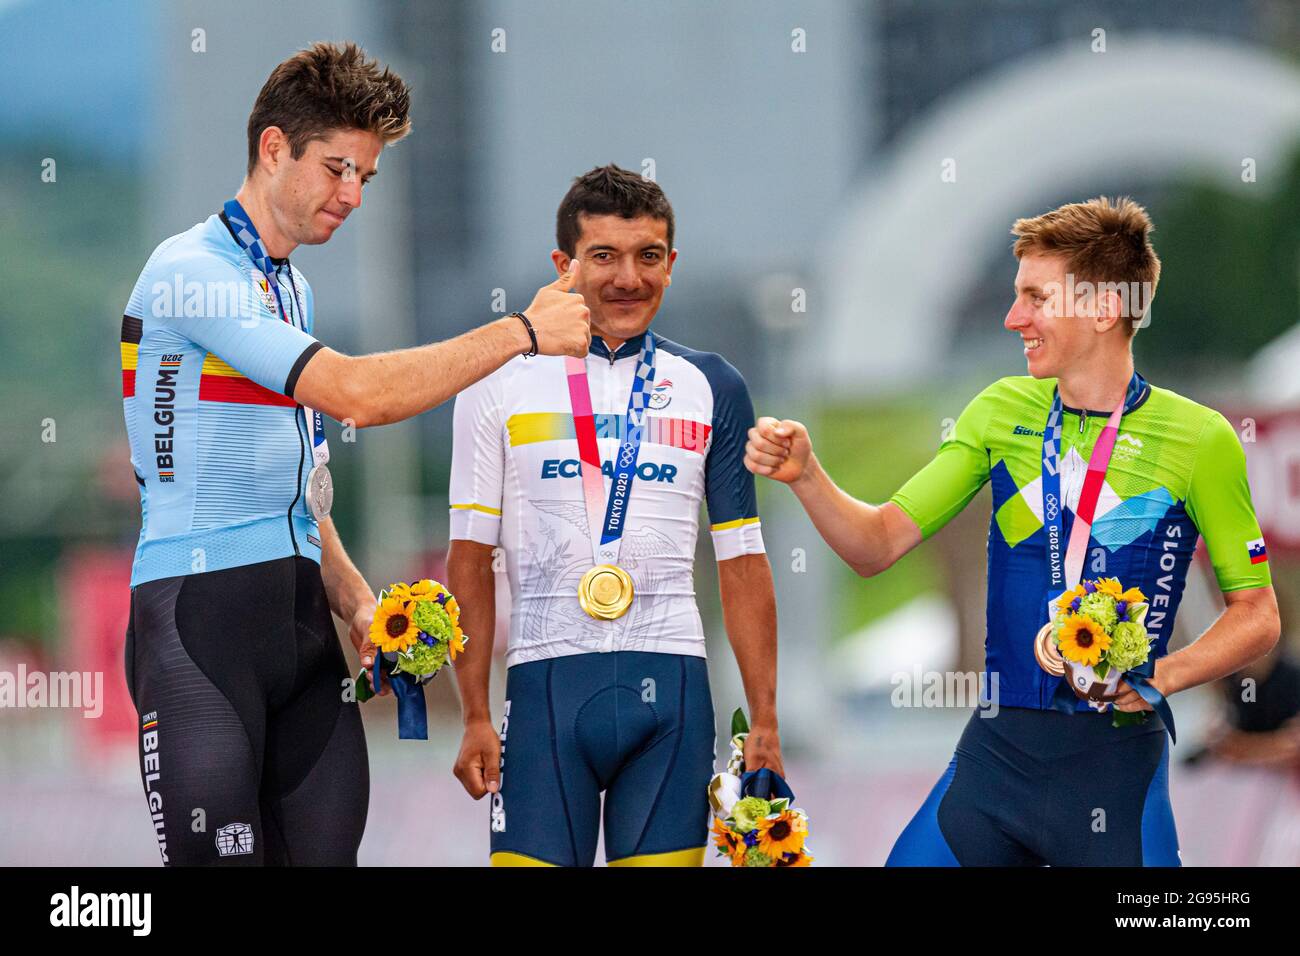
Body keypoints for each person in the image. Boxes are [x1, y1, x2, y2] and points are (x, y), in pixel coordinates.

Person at [119, 42, 590, 866]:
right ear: (273, 149)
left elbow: (299, 488)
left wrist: (360, 602)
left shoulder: (287, 284)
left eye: (365, 178)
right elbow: (359, 396)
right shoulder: (188, 273)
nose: (352, 195)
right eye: (337, 168)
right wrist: (522, 333)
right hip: (199, 627)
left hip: (301, 631)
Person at [745, 196, 1281, 866]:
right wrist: (807, 475)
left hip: (1115, 769)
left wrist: (1161, 678)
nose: (1013, 318)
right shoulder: (1000, 412)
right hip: (996, 761)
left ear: (1102, 309)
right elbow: (877, 545)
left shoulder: (1200, 438)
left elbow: (1258, 615)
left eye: (1035, 297)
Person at [447, 165, 783, 866]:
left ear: (671, 262)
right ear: (563, 264)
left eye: (649, 256)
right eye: (604, 256)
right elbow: (469, 560)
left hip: (674, 701)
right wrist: (475, 713)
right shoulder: (494, 379)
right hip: (542, 697)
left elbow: (743, 561)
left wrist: (766, 719)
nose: (628, 278)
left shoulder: (713, 386)